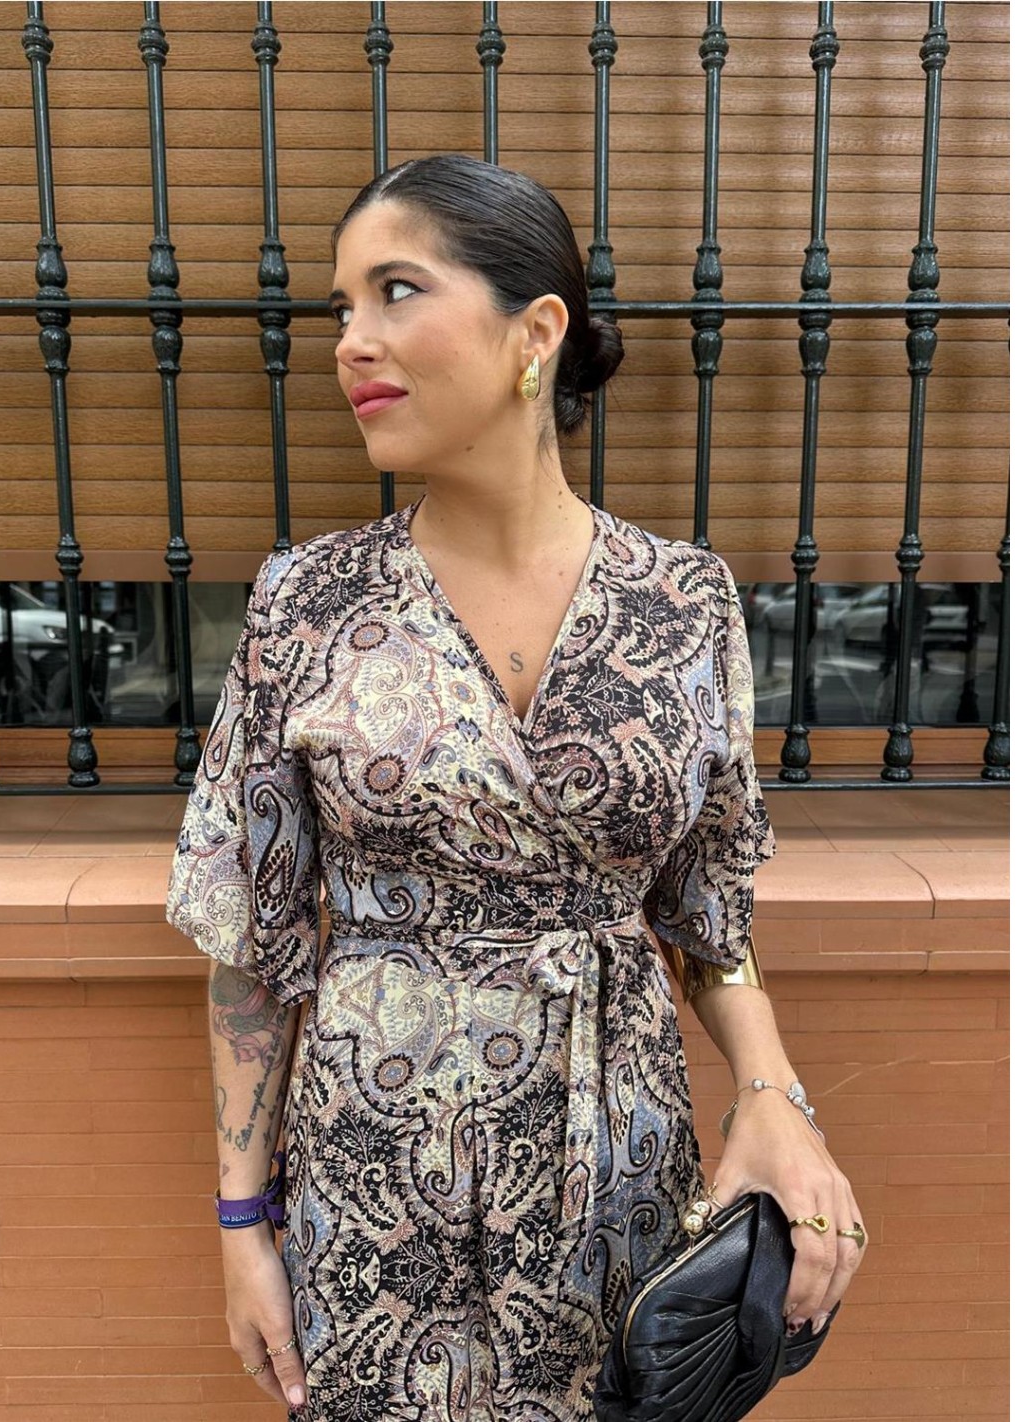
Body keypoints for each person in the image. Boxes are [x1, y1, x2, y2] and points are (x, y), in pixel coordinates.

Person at [166, 153, 866, 1422]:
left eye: (394, 291)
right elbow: (253, 944)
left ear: (535, 332)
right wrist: (239, 1223)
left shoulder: (682, 603)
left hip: (616, 1169)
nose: (350, 342)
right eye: (339, 308)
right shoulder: (306, 605)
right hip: (373, 1187)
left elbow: (707, 913)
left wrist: (771, 1096)